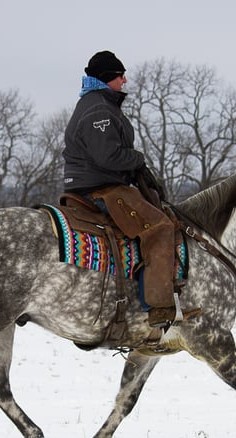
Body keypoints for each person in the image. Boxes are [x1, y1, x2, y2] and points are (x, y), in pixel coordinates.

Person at [63, 50, 181, 329]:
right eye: (120, 75)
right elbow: (108, 157)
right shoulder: (99, 110)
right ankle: (159, 306)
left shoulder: (96, 103)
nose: (125, 80)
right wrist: (138, 160)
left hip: (95, 182)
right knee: (161, 227)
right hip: (100, 186)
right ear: (107, 78)